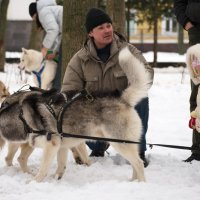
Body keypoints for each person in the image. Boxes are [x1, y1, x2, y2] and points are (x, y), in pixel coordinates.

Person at [61, 8, 154, 167]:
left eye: (108, 26)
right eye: (101, 28)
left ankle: (138, 150)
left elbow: (147, 74)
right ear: (91, 33)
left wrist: (129, 93)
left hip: (124, 104)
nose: (107, 30)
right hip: (96, 109)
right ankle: (98, 146)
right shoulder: (80, 59)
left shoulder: (128, 50)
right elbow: (69, 90)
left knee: (142, 97)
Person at [174, 0, 200, 162]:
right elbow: (179, 2)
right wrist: (187, 23)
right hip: (197, 32)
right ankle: (198, 149)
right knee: (198, 91)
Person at [29, 0, 63, 90]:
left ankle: (56, 91)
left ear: (35, 14)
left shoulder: (43, 12)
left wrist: (45, 47)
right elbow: (59, 34)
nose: (34, 21)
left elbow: (53, 30)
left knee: (60, 64)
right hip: (65, 38)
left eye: (34, 18)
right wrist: (54, 52)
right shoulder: (51, 9)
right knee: (57, 58)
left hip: (68, 38)